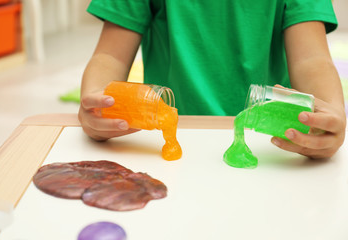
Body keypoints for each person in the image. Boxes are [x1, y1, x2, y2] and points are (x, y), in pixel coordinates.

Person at [78, 0, 346, 159]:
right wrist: (97, 102)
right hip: (168, 137)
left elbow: (312, 61)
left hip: (268, 144)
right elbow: (110, 57)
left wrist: (329, 114)